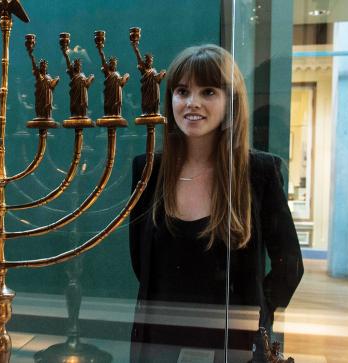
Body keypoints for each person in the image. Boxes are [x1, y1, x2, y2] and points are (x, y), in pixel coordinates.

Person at [128, 45, 304, 362]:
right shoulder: (148, 170)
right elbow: (141, 263)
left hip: (234, 341)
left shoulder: (259, 172)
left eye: (208, 91)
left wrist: (257, 313)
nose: (192, 103)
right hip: (161, 337)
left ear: (231, 102)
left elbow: (289, 264)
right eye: (182, 91)